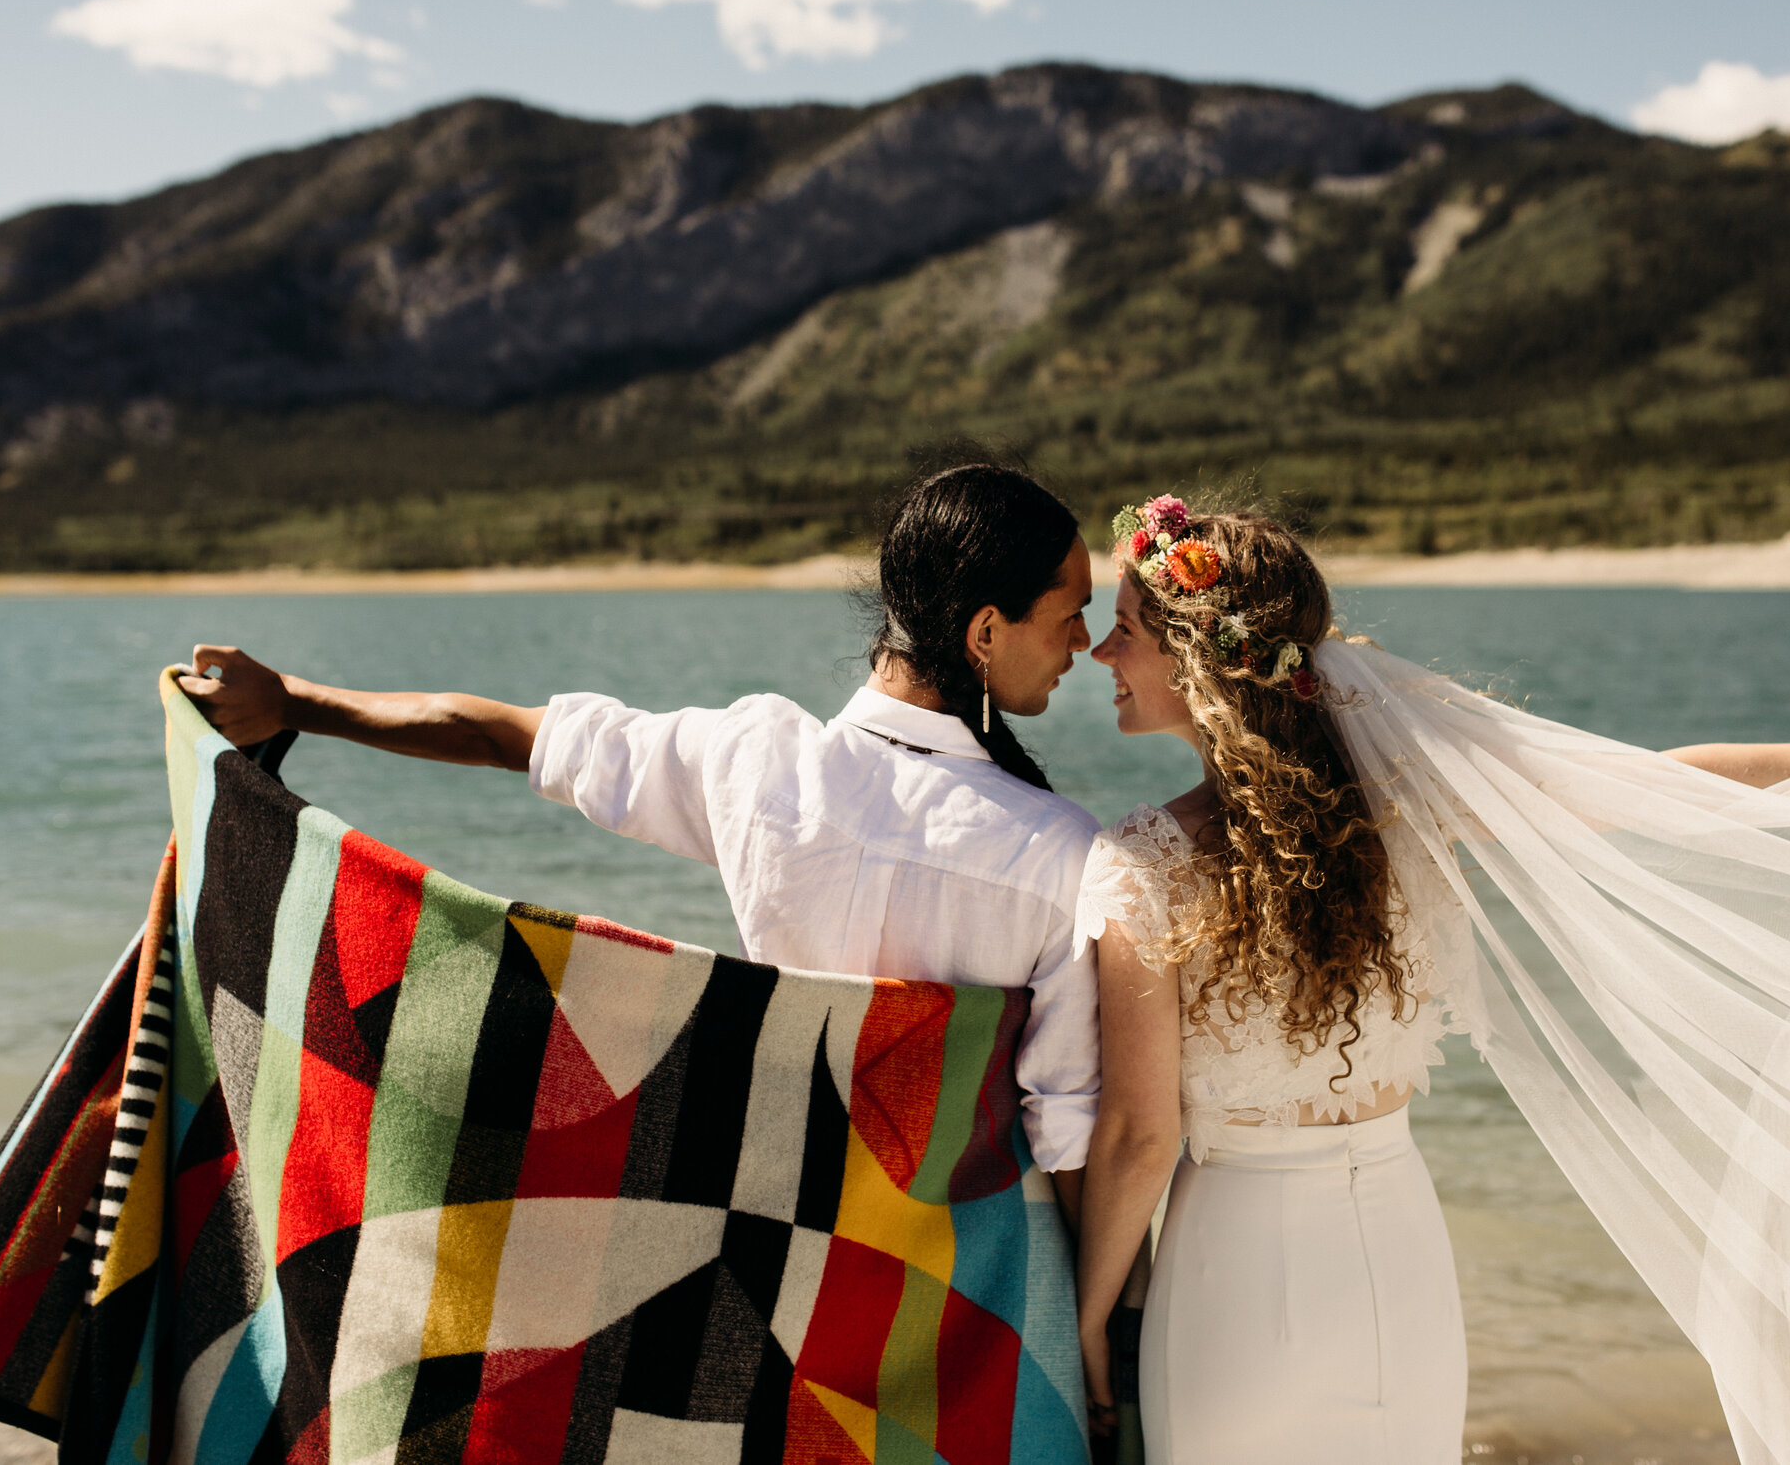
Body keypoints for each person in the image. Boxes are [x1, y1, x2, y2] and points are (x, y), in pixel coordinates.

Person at [1071, 497, 1790, 1465]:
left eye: (1123, 629)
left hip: (1233, 1267)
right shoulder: (1403, 809)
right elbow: (1651, 782)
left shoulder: (1143, 862)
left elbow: (1140, 1135)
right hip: (1395, 1243)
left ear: (1200, 655)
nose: (1099, 653)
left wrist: (1082, 1318)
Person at [176, 460, 1108, 1202]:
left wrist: (292, 701)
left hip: (785, 1214)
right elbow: (1066, 1141)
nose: (1082, 644)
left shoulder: (756, 764)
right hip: (956, 1272)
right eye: (1070, 617)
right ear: (985, 630)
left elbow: (503, 735)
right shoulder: (1063, 857)